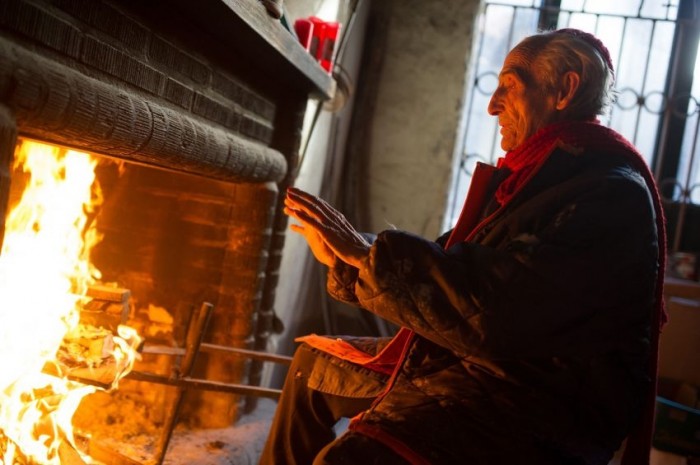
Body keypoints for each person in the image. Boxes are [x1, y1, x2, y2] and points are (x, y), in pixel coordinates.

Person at [260, 28, 667, 465]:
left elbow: (499, 311)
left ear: (564, 90)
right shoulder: (542, 174)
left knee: (352, 457)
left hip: (534, 404)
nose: (492, 106)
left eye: (509, 86)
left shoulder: (609, 194)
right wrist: (353, 258)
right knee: (311, 367)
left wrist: (367, 256)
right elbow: (457, 260)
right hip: (478, 366)